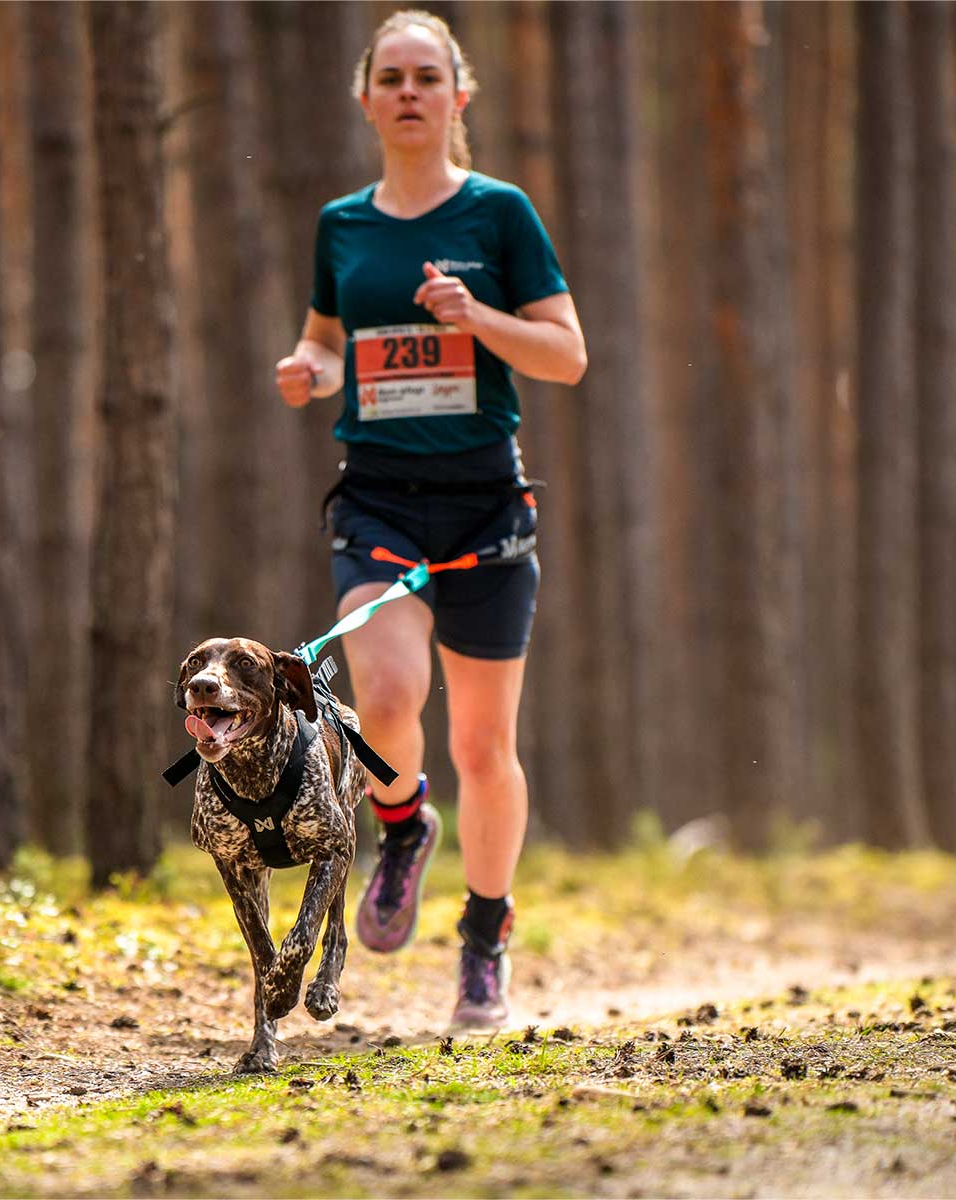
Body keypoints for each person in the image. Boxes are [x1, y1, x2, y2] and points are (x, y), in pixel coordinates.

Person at [273, 10, 587, 1031]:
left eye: (427, 77)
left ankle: (483, 937)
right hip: (376, 495)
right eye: (391, 77)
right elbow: (326, 339)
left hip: (484, 507)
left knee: (486, 743)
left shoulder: (499, 214)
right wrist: (308, 369)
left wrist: (479, 320)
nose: (408, 92)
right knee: (390, 690)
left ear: (458, 97)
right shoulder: (341, 225)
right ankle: (403, 827)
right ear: (365, 98)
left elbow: (564, 354)